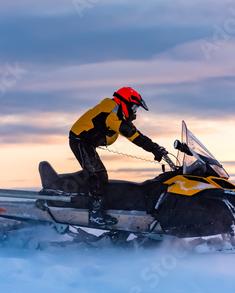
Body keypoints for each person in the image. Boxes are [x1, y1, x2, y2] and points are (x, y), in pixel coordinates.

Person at [69, 87, 166, 226]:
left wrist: (155, 148)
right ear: (125, 102)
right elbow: (134, 136)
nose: (134, 111)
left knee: (98, 173)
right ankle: (96, 214)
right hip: (80, 141)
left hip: (87, 142)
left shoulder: (116, 110)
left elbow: (132, 131)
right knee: (98, 174)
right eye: (134, 107)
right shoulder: (112, 114)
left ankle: (99, 206)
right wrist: (154, 148)